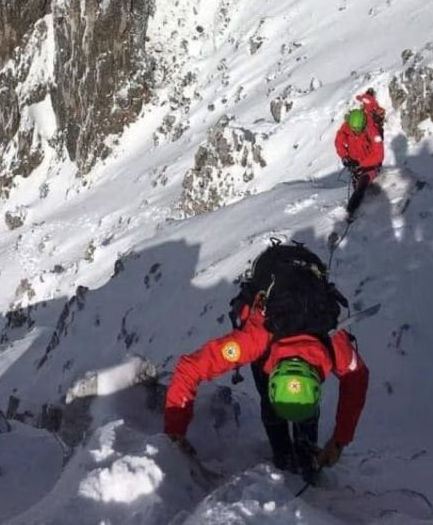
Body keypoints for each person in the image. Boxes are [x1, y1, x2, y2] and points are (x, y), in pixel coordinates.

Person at [164, 241, 369, 479]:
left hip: (284, 293)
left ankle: (286, 459)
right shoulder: (322, 343)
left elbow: (192, 367)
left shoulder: (327, 340)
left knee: (272, 407)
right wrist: (339, 441)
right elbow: (357, 377)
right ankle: (304, 461)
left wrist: (175, 431)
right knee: (301, 412)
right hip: (279, 299)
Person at [334, 89, 385, 219]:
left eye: (358, 130)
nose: (355, 132)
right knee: (357, 183)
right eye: (353, 130)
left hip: (370, 165)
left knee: (362, 185)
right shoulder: (349, 124)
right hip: (355, 162)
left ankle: (352, 211)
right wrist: (344, 156)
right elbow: (339, 140)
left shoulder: (372, 131)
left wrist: (360, 163)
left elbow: (379, 155)